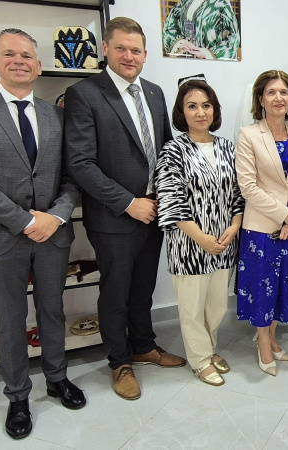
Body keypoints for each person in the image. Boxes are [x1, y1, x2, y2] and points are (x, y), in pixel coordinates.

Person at [0, 28, 84, 439]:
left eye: (27, 55)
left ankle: (57, 378)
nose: (19, 61)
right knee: (9, 320)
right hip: (2, 236)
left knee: (52, 310)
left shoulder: (56, 116)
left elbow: (72, 178)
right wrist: (27, 220)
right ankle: (18, 396)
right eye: (9, 54)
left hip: (53, 236)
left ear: (39, 65)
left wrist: (55, 217)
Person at [64, 17, 184, 401]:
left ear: (145, 55)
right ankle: (119, 362)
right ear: (105, 49)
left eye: (136, 50)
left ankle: (144, 345)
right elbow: (80, 163)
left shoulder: (154, 92)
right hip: (115, 215)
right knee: (115, 292)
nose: (129, 56)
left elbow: (165, 150)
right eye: (121, 48)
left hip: (155, 212)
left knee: (143, 287)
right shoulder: (84, 93)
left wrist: (166, 197)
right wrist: (128, 203)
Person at [155, 80, 243, 386]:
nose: (200, 112)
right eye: (192, 106)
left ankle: (209, 348)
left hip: (224, 243)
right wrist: (201, 238)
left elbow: (238, 194)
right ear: (182, 111)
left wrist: (234, 226)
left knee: (217, 304)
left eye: (206, 105)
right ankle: (200, 359)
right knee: (192, 307)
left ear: (214, 110)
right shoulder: (173, 151)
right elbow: (170, 201)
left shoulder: (227, 148)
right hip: (190, 245)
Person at [235, 70, 288, 376]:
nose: (279, 98)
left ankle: (274, 337)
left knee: (282, 289)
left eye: (284, 92)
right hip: (262, 228)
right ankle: (264, 344)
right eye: (271, 92)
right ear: (260, 99)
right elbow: (248, 187)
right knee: (262, 289)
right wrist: (284, 214)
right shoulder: (249, 135)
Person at [162, 0, 240, 61]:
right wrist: (180, 43)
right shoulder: (185, 2)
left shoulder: (221, 3)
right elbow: (171, 25)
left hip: (211, 65)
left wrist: (207, 53)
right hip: (185, 62)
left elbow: (233, 35)